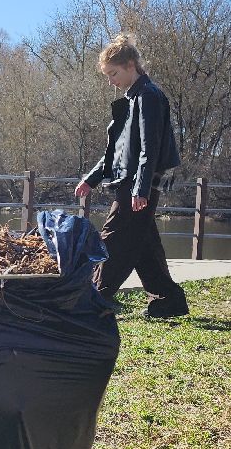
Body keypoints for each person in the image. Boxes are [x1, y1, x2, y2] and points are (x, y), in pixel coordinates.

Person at [74, 33, 189, 318]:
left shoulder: (149, 96)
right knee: (143, 244)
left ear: (129, 65)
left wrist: (142, 188)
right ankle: (168, 301)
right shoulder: (133, 98)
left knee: (113, 238)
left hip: (137, 183)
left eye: (113, 73)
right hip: (131, 180)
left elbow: (150, 148)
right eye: (107, 75)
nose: (110, 80)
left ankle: (93, 298)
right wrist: (91, 178)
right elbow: (117, 150)